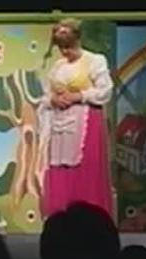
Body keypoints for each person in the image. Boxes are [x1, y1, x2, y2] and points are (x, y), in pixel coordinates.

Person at [39, 19, 115, 219]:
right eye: (61, 48)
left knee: (84, 170)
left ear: (78, 40)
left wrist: (79, 96)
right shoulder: (58, 66)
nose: (65, 52)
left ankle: (88, 218)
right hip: (60, 125)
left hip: (85, 123)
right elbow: (46, 95)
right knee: (59, 167)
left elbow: (105, 91)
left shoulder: (94, 61)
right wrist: (53, 100)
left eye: (69, 47)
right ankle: (60, 216)